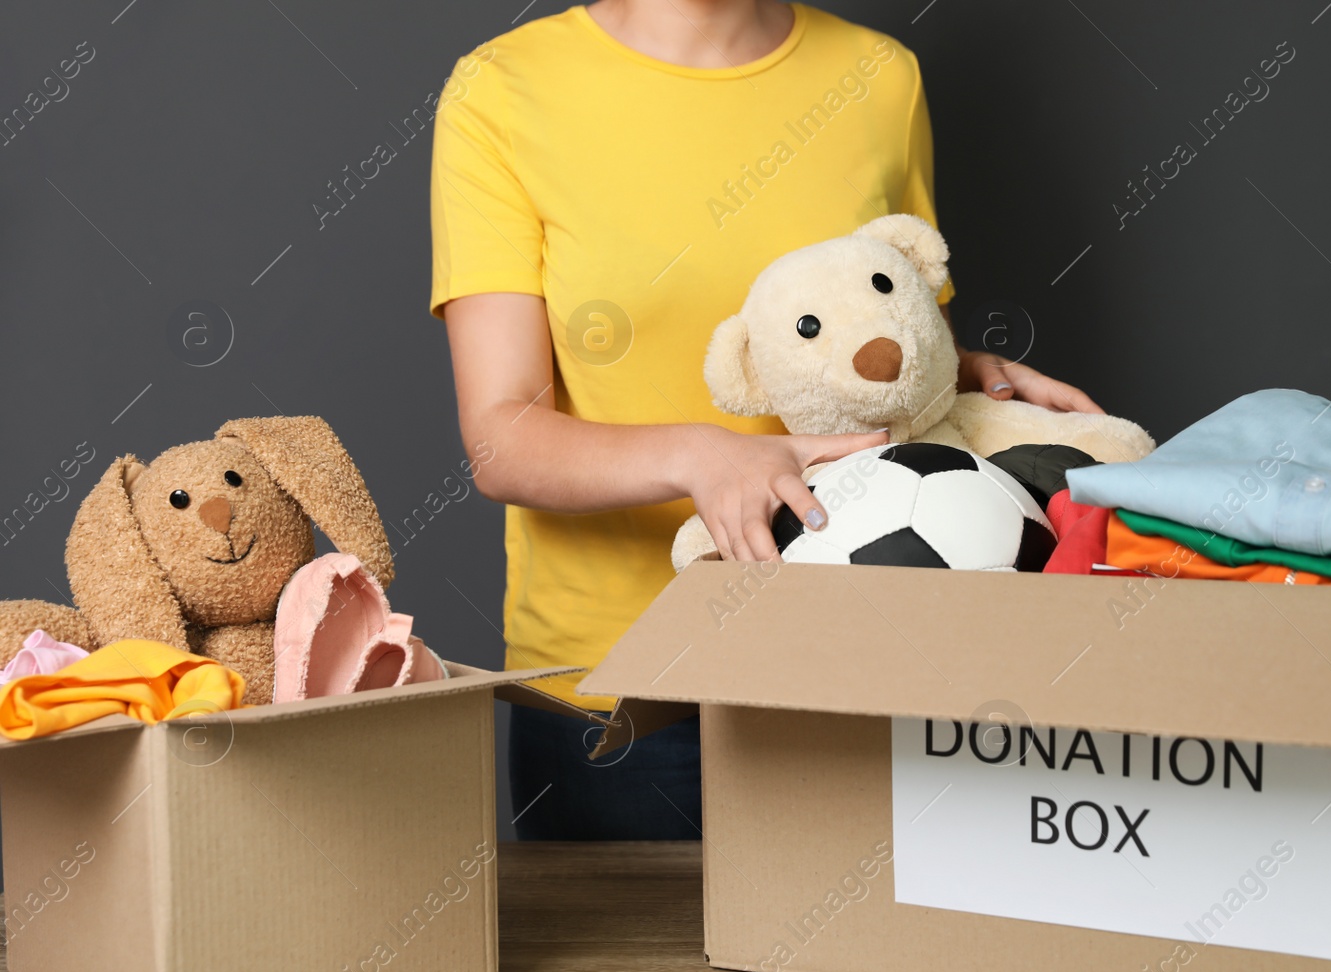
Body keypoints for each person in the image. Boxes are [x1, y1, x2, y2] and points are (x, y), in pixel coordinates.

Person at [430, 0, 1103, 840]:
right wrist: (703, 458)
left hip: (866, 668)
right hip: (624, 695)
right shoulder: (501, 91)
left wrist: (966, 374)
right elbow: (503, 435)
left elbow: (881, 352)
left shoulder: (880, 78)